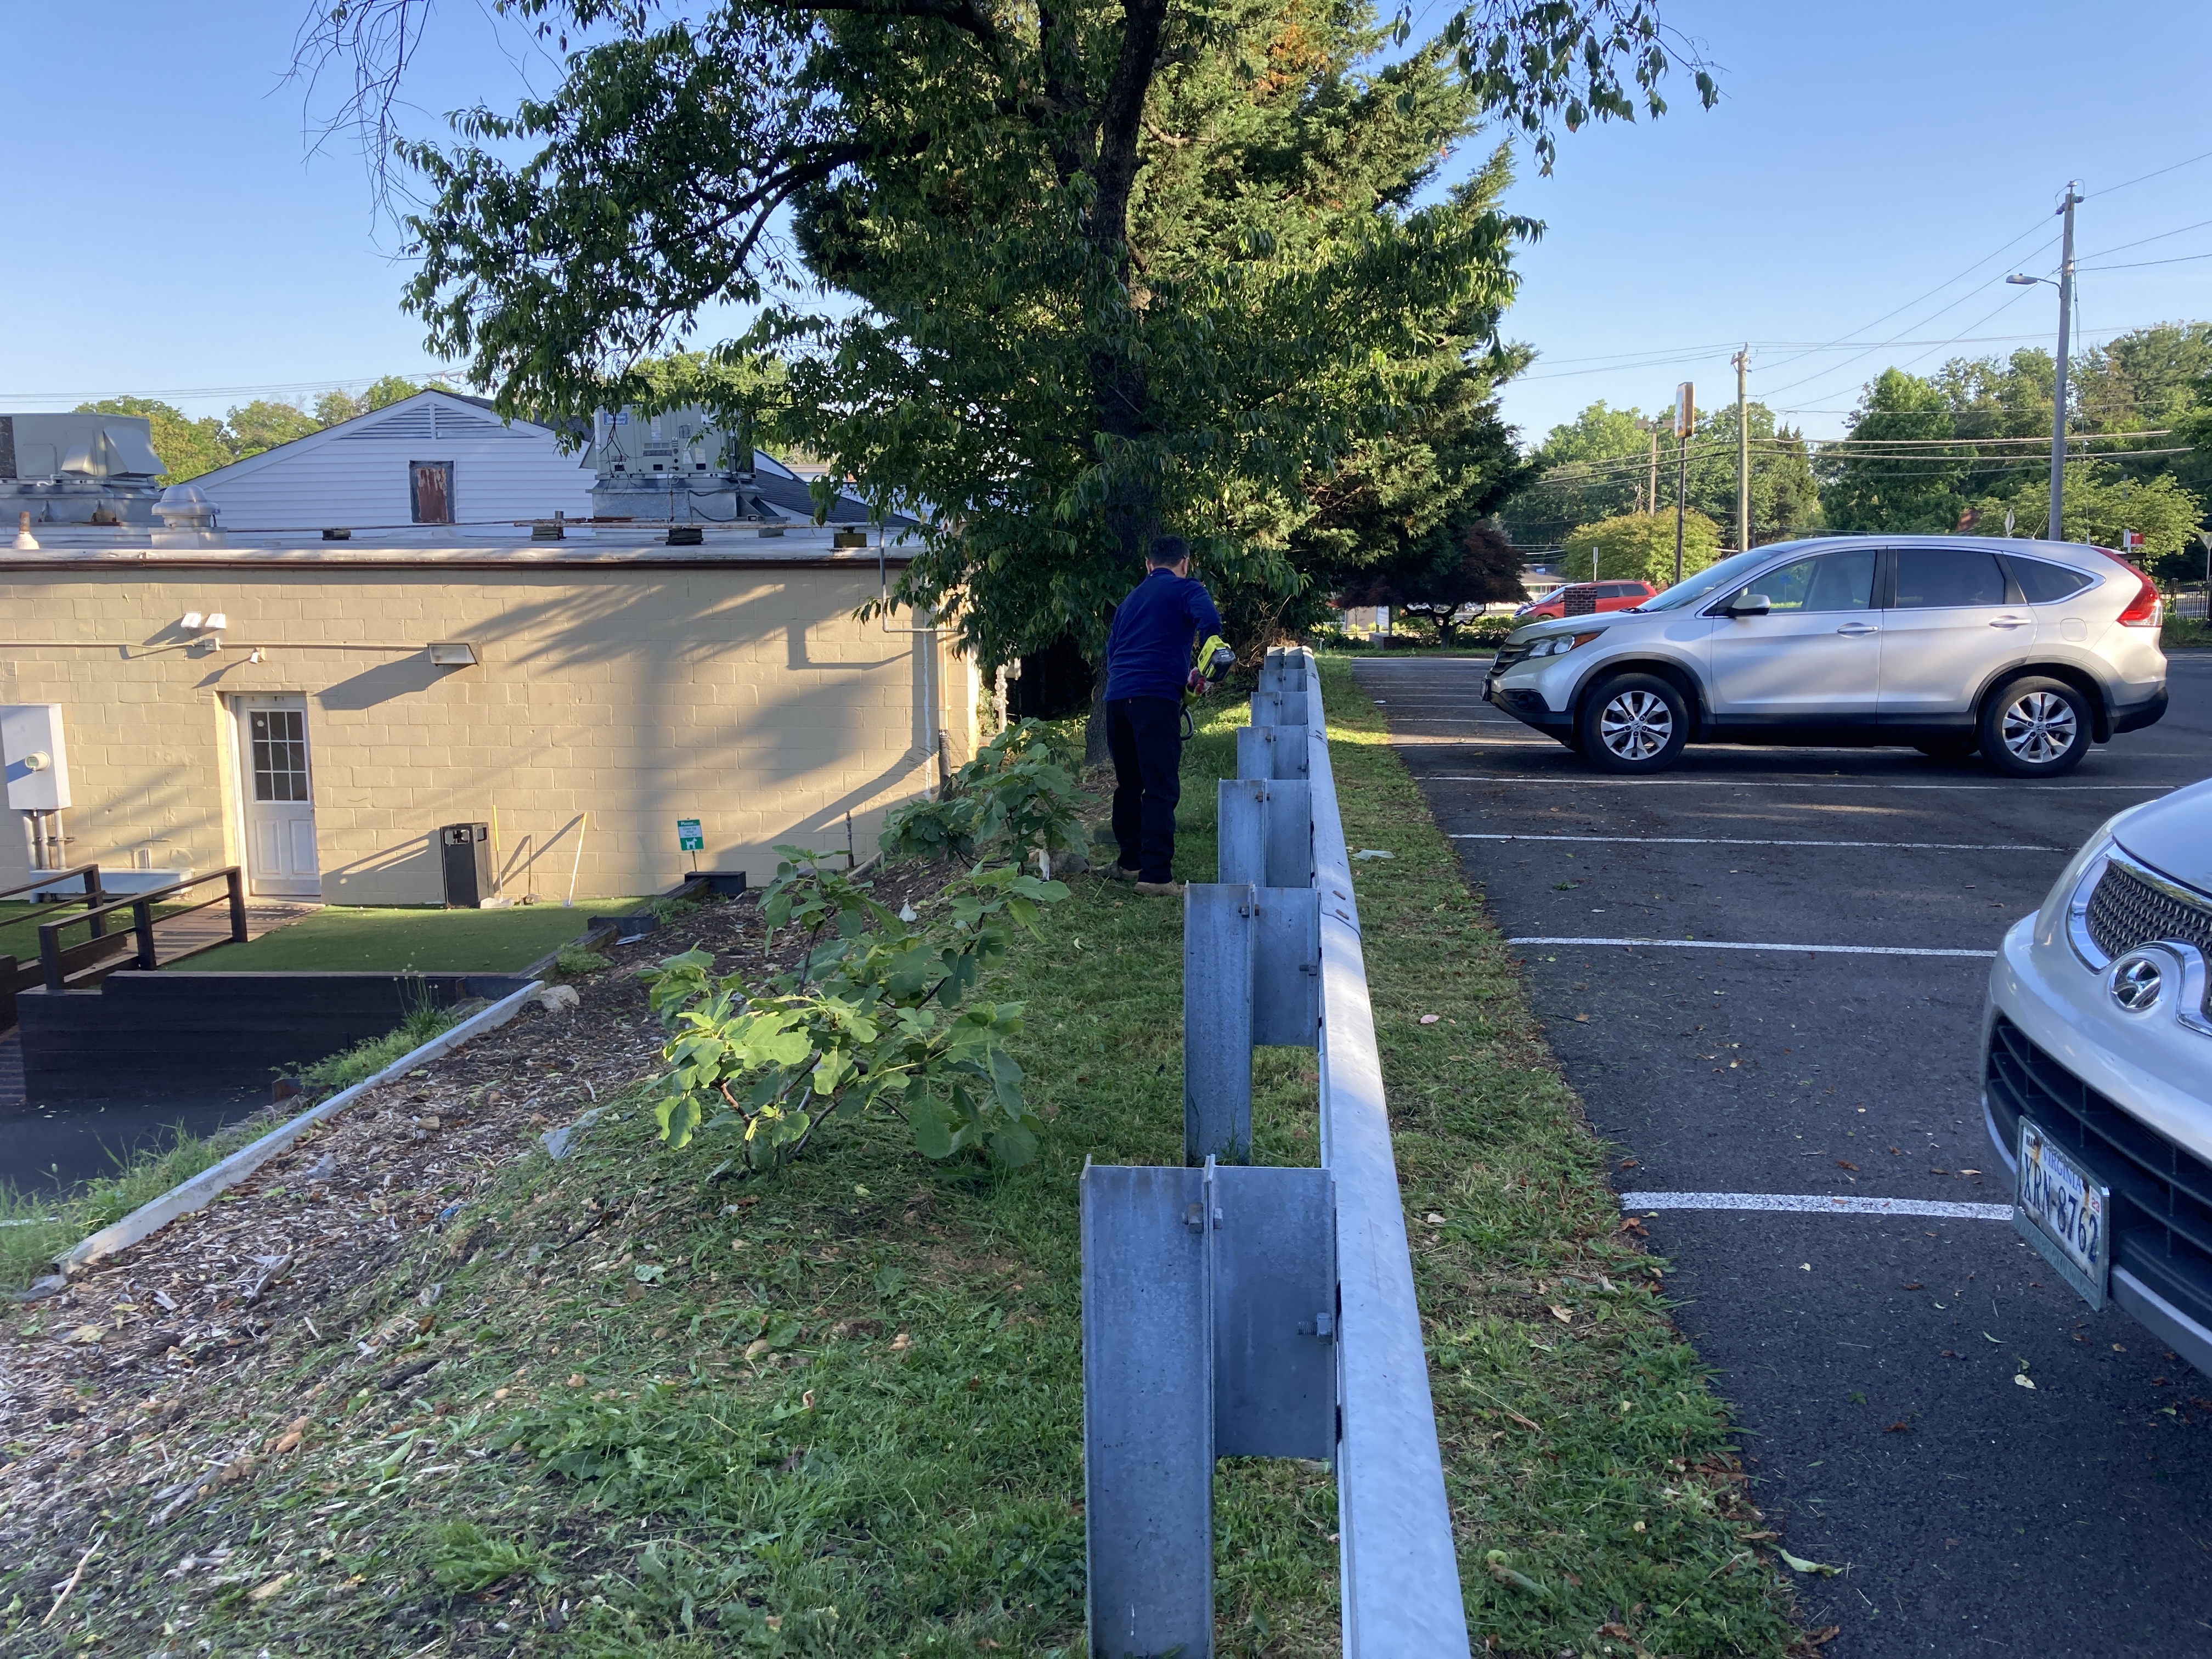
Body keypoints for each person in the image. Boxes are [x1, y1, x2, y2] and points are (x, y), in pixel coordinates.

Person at [1102, 535, 1224, 895]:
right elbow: (1210, 623)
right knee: (1160, 785)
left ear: (1148, 565)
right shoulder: (1188, 589)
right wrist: (1208, 665)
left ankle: (1130, 863)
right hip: (1155, 698)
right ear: (1185, 563)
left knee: (1129, 784)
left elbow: (1112, 652)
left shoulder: (1129, 601)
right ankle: (1155, 877)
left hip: (1117, 698)